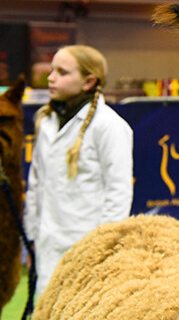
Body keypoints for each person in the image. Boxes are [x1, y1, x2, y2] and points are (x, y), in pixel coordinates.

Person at [23, 45, 133, 297]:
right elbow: (36, 183)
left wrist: (104, 247)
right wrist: (31, 237)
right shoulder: (46, 122)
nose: (50, 78)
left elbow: (119, 192)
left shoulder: (110, 126)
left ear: (88, 81)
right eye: (51, 70)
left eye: (62, 72)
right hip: (47, 245)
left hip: (87, 250)